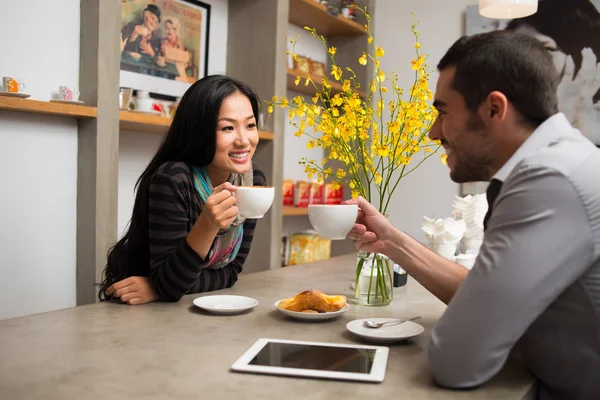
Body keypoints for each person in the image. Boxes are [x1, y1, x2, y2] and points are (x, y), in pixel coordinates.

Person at [348, 30, 600, 399]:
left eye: (443, 112)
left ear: (494, 109)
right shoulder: (566, 159)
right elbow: (487, 297)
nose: (433, 133)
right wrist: (392, 242)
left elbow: (456, 361)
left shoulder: (549, 180)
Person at [98, 75, 266, 304]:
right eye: (227, 127)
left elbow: (231, 272)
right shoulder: (173, 179)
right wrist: (207, 225)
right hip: (138, 310)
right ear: (199, 131)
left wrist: (157, 287)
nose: (243, 140)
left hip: (191, 309)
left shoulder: (251, 181)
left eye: (250, 125)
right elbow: (171, 287)